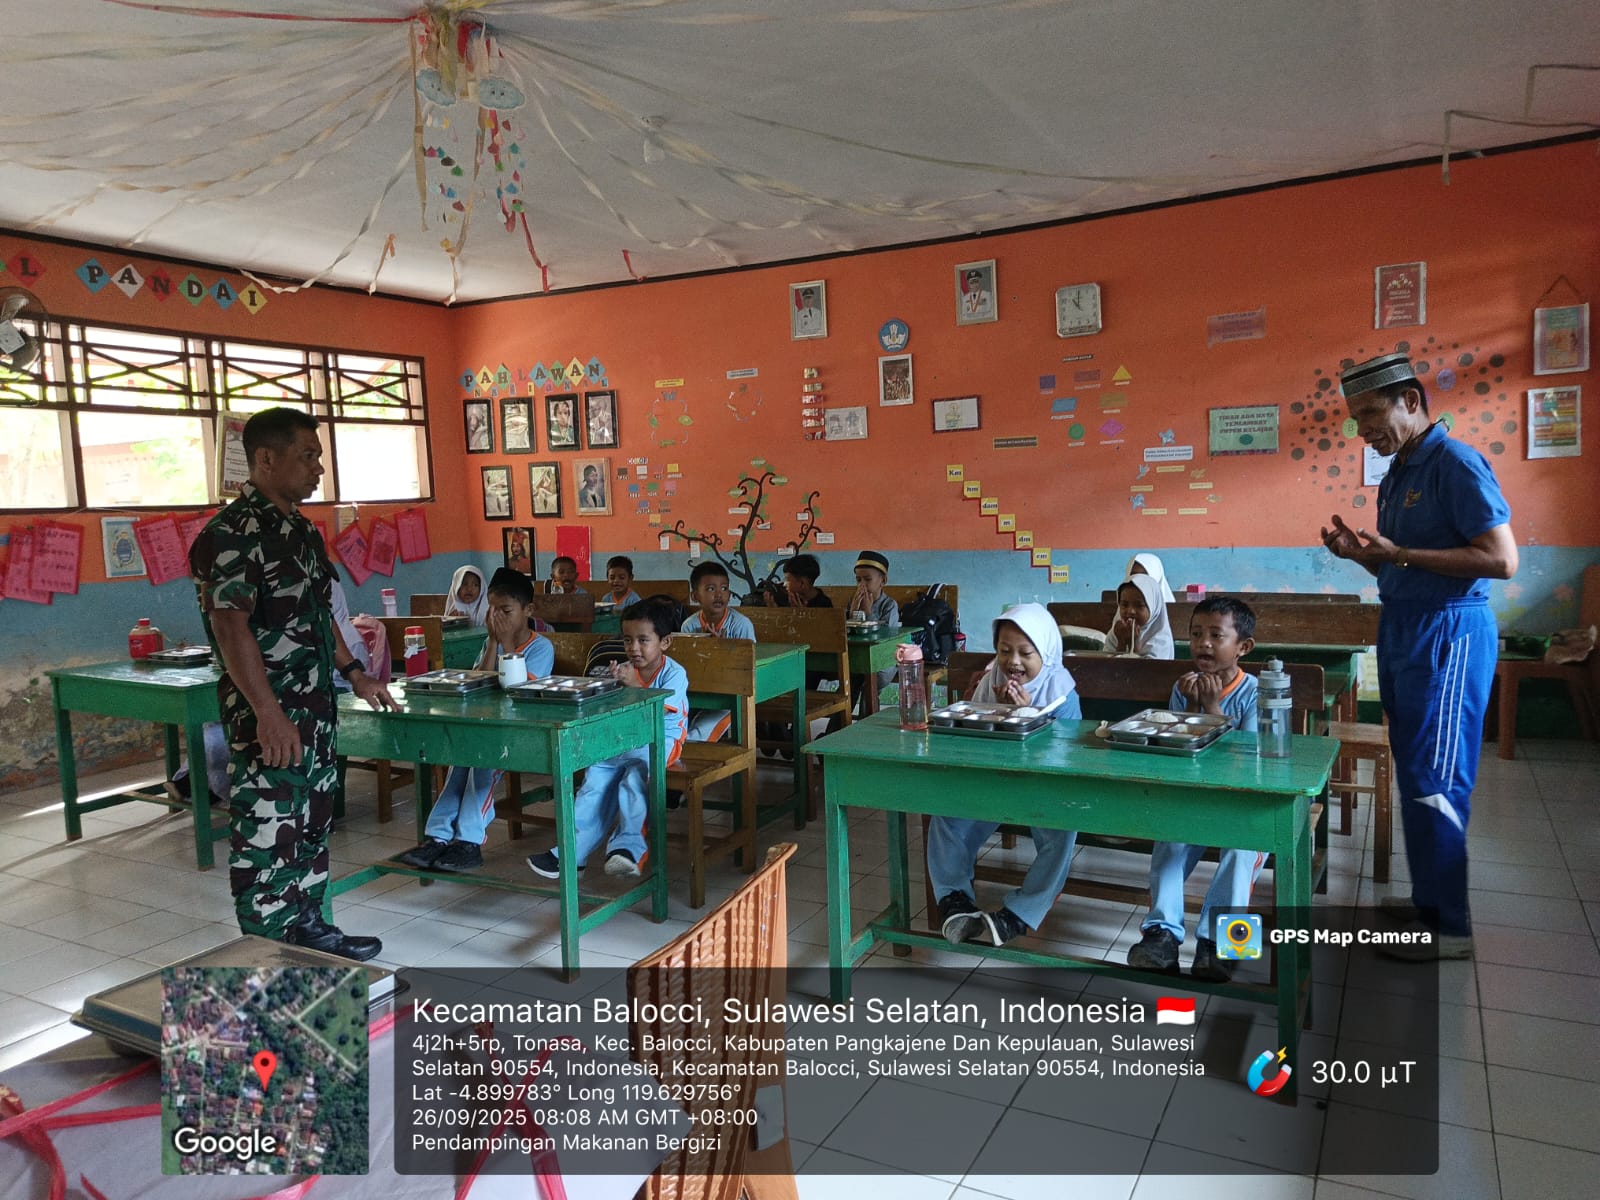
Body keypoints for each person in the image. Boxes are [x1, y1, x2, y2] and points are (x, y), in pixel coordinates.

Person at [1322, 351, 1517, 960]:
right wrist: (1363, 557)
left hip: (1449, 635)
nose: (1362, 430)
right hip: (1404, 628)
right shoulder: (1399, 472)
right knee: (1413, 771)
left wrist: (1401, 555)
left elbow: (1502, 559)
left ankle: (1450, 926)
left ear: (1411, 400)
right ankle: (1429, 899)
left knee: (1439, 777)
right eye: (1355, 418)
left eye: (1370, 413)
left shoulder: (1455, 463)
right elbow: (1401, 560)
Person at [189, 406, 396, 961]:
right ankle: (266, 955)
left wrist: (355, 673)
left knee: (311, 823)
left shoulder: (301, 531)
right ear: (265, 458)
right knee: (269, 831)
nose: (318, 469)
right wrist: (267, 712)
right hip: (270, 717)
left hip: (315, 710)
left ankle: (310, 932)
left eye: (318, 457)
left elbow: (322, 611)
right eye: (308, 456)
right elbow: (230, 628)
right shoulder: (230, 535)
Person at [1125, 597, 1264, 980]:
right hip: (1198, 797)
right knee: (1170, 838)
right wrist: (1188, 708)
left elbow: (1248, 760)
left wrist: (1212, 709)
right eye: (1196, 634)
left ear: (1243, 647)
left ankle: (1223, 945)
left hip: (1246, 804)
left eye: (1216, 635)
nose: (1203, 643)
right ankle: (1160, 935)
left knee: (1242, 849)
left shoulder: (1256, 692)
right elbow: (1179, 751)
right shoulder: (1183, 687)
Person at [928, 604, 1081, 947]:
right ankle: (955, 901)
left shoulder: (1062, 693)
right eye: (1004, 650)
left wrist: (1026, 715)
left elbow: (1066, 755)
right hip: (994, 783)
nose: (1013, 661)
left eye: (1026, 653)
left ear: (1046, 652)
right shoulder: (991, 681)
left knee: (1062, 828)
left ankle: (1021, 913)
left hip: (1043, 790)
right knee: (946, 813)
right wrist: (994, 712)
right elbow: (972, 740)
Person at [396, 569, 555, 873]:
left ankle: (468, 841)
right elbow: (479, 680)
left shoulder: (541, 647)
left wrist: (507, 643)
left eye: (505, 611)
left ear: (528, 610)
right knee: (460, 763)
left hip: (520, 732)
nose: (497, 617)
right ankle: (438, 836)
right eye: (492, 610)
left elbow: (518, 688)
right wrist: (494, 643)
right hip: (487, 725)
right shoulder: (491, 642)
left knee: (481, 767)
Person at [527, 600, 688, 879]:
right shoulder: (624, 670)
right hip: (625, 739)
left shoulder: (674, 673)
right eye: (627, 640)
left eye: (643, 640)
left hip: (662, 740)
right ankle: (570, 855)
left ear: (665, 642)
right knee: (594, 781)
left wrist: (632, 685)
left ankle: (627, 850)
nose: (633, 648)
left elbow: (655, 710)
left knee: (635, 778)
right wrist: (612, 685)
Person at [681, 561, 755, 743]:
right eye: (710, 589)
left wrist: (721, 649)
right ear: (695, 596)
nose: (719, 594)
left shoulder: (740, 624)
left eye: (724, 588)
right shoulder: (689, 625)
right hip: (699, 688)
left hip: (734, 691)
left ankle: (690, 744)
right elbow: (687, 663)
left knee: (701, 730)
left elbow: (749, 665)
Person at [1104, 574, 1174, 658]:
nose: (1131, 611)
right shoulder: (1116, 632)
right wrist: (1121, 642)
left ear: (1153, 607)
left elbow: (1146, 666)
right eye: (1124, 605)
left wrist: (1133, 643)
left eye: (1139, 605)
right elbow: (1106, 663)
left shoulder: (1161, 640)